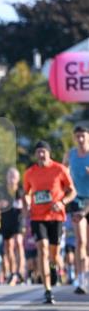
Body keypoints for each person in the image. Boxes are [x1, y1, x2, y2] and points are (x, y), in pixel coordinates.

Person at [23, 140, 76, 304]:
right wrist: (26, 202)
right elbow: (26, 192)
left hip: (56, 217)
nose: (41, 155)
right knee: (42, 249)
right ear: (35, 154)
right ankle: (47, 290)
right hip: (38, 217)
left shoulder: (59, 169)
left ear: (49, 153)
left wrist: (62, 203)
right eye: (38, 152)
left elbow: (72, 191)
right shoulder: (30, 172)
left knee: (53, 253)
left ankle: (54, 267)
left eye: (43, 151)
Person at [64, 123, 89, 295]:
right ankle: (81, 279)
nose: (80, 139)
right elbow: (62, 173)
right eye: (77, 136)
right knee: (80, 241)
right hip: (77, 200)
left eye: (83, 136)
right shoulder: (70, 154)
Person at [0, 166, 25, 285]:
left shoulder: (21, 191)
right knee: (8, 246)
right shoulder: (2, 192)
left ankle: (20, 271)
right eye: (10, 176)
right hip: (6, 220)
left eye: (14, 176)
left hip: (18, 220)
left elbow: (26, 206)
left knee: (18, 242)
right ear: (7, 178)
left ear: (18, 178)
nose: (12, 178)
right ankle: (12, 272)